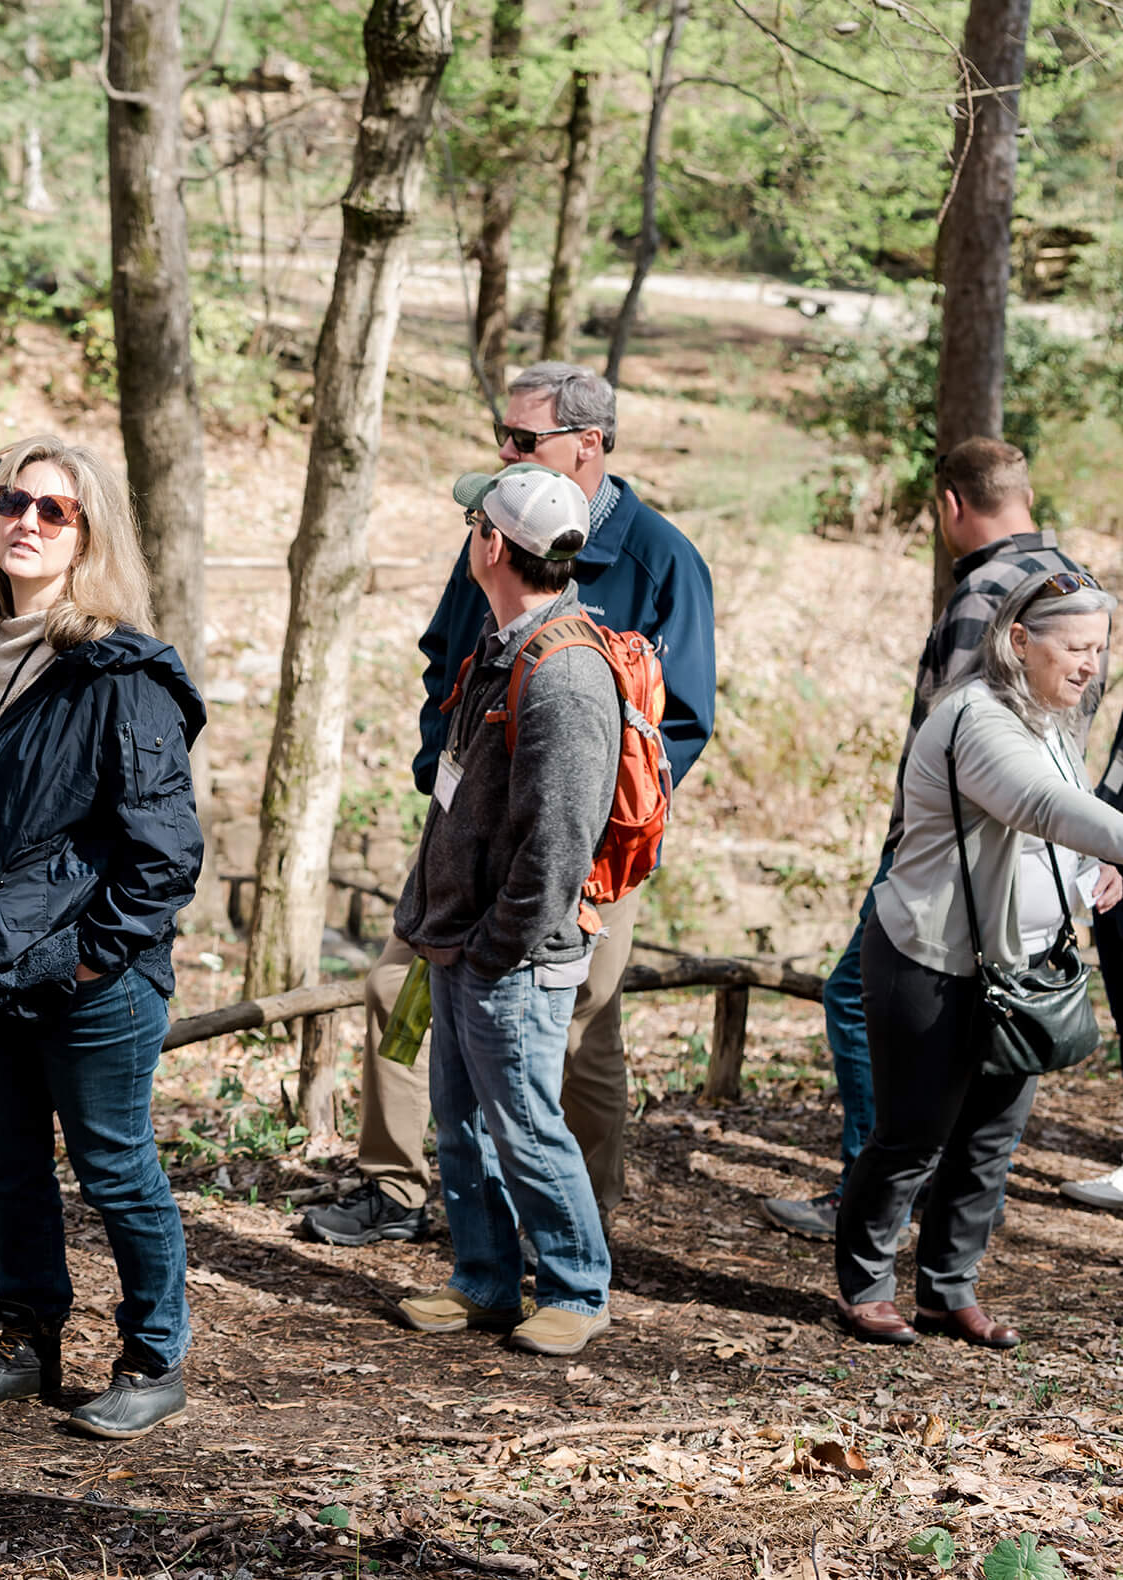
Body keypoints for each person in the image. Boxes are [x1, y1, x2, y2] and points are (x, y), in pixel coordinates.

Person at [303, 363, 715, 1248]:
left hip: (588, 849)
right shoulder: (491, 524)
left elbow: (677, 722)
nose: (503, 451)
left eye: (522, 440)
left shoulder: (660, 561)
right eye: (503, 434)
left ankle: (574, 1219)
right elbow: (444, 654)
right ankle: (397, 1186)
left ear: (588, 443)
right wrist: (438, 768)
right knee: (396, 986)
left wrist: (575, 837)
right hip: (463, 823)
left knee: (577, 1028)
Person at [0, 436, 206, 1441]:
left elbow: (166, 851)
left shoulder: (116, 671)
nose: (27, 521)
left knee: (116, 1166)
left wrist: (91, 954)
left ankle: (153, 1355)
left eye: (56, 509)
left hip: (91, 977)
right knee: (9, 1163)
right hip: (0, 963)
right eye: (15, 503)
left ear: (90, 537)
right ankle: (28, 1338)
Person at [767, 438, 1104, 1239]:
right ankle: (916, 1192)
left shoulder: (984, 595)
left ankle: (875, 1185)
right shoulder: (1072, 581)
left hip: (959, 853)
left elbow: (960, 748)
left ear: (950, 504)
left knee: (860, 995)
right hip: (1048, 851)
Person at [834, 574, 1123, 1347]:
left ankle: (944, 1290)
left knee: (989, 1140)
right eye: (1076, 647)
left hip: (1018, 968)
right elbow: (1041, 805)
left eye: (1100, 649)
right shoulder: (975, 718)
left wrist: (1101, 866)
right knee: (910, 1136)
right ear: (1018, 640)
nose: (1091, 665)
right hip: (927, 961)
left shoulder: (1051, 717)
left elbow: (1062, 823)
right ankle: (864, 1283)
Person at [391, 465, 622, 1358]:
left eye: (472, 522)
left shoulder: (563, 675)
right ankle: (483, 1280)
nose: (466, 534)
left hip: (509, 955)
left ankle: (575, 1286)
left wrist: (495, 948)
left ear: (492, 545)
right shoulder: (505, 646)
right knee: (463, 1123)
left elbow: (558, 847)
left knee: (525, 1124)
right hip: (460, 940)